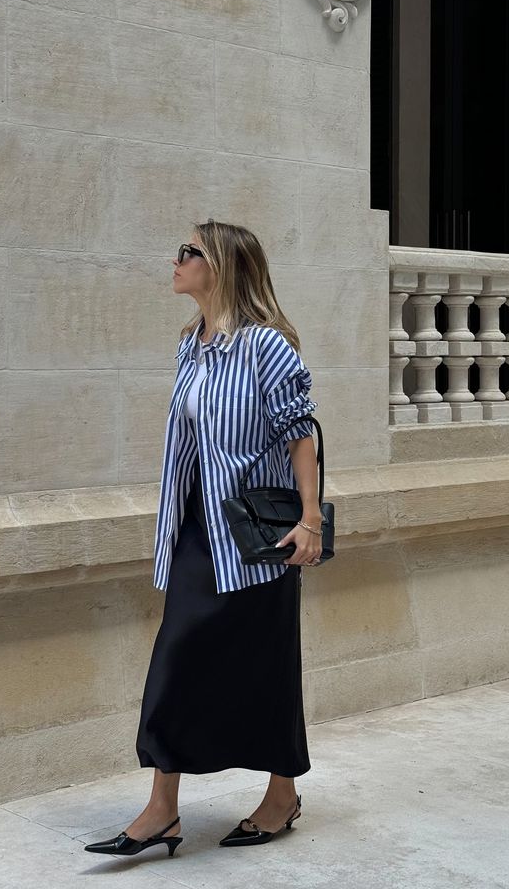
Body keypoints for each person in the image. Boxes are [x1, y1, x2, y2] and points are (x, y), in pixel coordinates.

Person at [84, 219, 322, 858]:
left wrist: (311, 519)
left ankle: (281, 794)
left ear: (220, 265)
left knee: (268, 662)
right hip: (196, 532)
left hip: (256, 537)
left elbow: (302, 433)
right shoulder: (192, 345)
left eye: (189, 252)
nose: (176, 259)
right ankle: (163, 808)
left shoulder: (267, 348)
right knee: (177, 659)